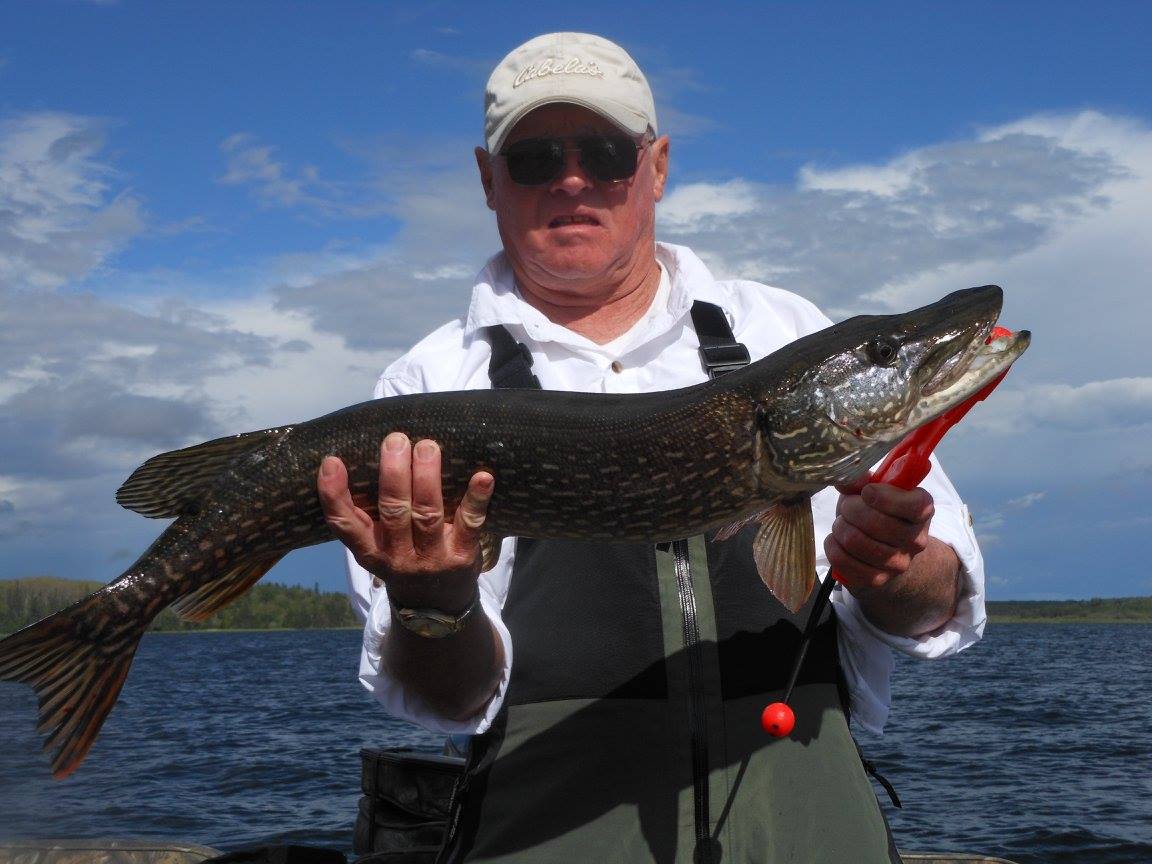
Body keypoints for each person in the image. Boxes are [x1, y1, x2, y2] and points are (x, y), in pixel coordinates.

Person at [318, 32, 985, 864]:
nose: (571, 180)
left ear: (656, 167)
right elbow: (449, 700)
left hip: (809, 829)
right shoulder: (426, 387)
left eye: (605, 154)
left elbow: (933, 607)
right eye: (534, 159)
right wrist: (436, 601)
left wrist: (898, 567)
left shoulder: (786, 333)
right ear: (488, 180)